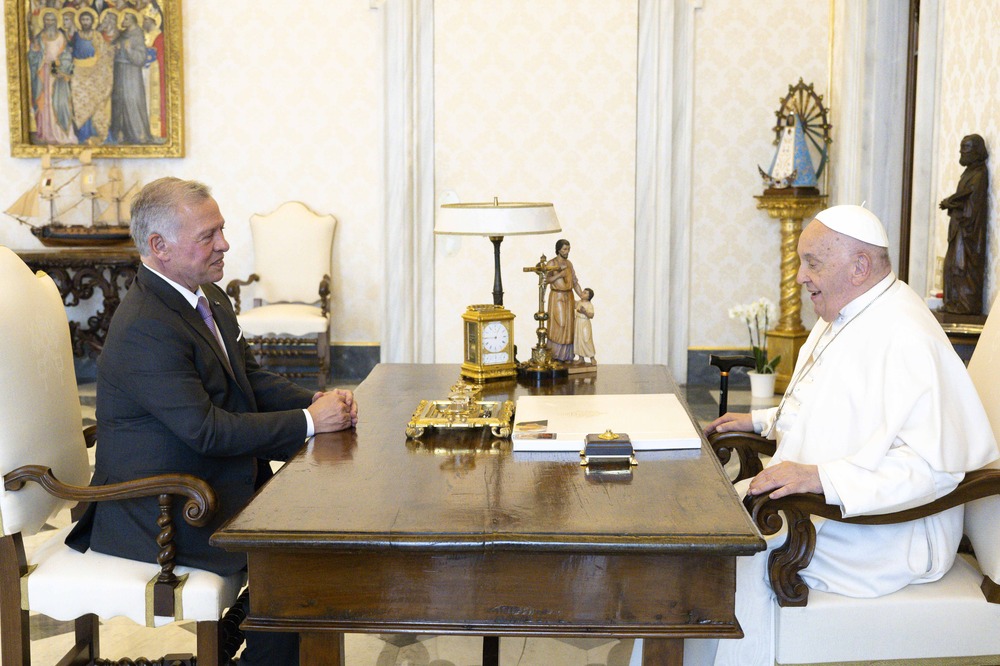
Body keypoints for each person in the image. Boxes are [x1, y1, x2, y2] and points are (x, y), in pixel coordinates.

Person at [679, 205, 999, 666]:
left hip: (891, 534)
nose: (800, 278)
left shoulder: (904, 333)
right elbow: (827, 406)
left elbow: (936, 470)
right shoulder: (847, 313)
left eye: (813, 263)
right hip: (834, 511)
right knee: (704, 538)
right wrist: (762, 421)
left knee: (735, 554)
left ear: (860, 266)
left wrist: (821, 478)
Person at [66, 177, 359, 665]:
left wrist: (321, 401)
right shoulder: (146, 325)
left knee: (317, 528)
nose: (225, 243)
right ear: (159, 247)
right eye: (209, 235)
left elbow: (250, 380)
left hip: (203, 480)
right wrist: (309, 421)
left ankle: (256, 642)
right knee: (296, 556)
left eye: (221, 230)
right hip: (160, 506)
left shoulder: (207, 297)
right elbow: (207, 429)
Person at [939, 134, 989, 315]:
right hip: (958, 230)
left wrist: (952, 205)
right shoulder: (969, 173)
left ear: (976, 151)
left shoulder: (979, 174)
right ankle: (953, 302)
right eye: (961, 148)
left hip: (968, 232)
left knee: (962, 267)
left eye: (965, 149)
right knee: (951, 266)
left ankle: (964, 304)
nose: (961, 152)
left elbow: (972, 206)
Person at [69, 6, 114, 144]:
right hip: (78, 73)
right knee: (79, 103)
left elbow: (103, 53)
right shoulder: (76, 35)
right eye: (83, 19)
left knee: (95, 102)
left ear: (92, 21)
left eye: (87, 19)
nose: (85, 22)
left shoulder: (97, 35)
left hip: (94, 72)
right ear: (80, 21)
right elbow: (70, 51)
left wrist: (99, 69)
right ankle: (83, 134)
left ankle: (96, 133)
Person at [108, 8, 151, 143]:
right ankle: (120, 133)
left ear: (133, 20)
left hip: (131, 72)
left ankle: (138, 134)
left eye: (126, 19)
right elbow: (112, 49)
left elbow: (141, 57)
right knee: (119, 100)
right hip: (119, 70)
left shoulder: (137, 35)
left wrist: (129, 50)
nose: (123, 21)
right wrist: (115, 50)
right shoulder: (122, 35)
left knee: (131, 99)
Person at [545, 239, 584, 362]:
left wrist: (582, 296)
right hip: (557, 297)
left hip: (569, 296)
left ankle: (566, 356)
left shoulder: (569, 263)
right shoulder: (552, 262)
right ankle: (555, 354)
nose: (567, 252)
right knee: (560, 323)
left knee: (569, 325)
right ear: (558, 249)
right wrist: (560, 274)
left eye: (568, 249)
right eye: (564, 249)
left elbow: (575, 282)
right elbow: (546, 279)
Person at [572, 287, 596, 364]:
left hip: (585, 323)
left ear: (589, 297)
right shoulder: (579, 302)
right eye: (583, 292)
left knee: (586, 340)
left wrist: (584, 312)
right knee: (578, 339)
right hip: (577, 322)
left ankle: (592, 357)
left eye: (585, 293)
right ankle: (580, 358)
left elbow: (591, 315)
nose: (582, 293)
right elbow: (573, 304)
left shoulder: (589, 305)